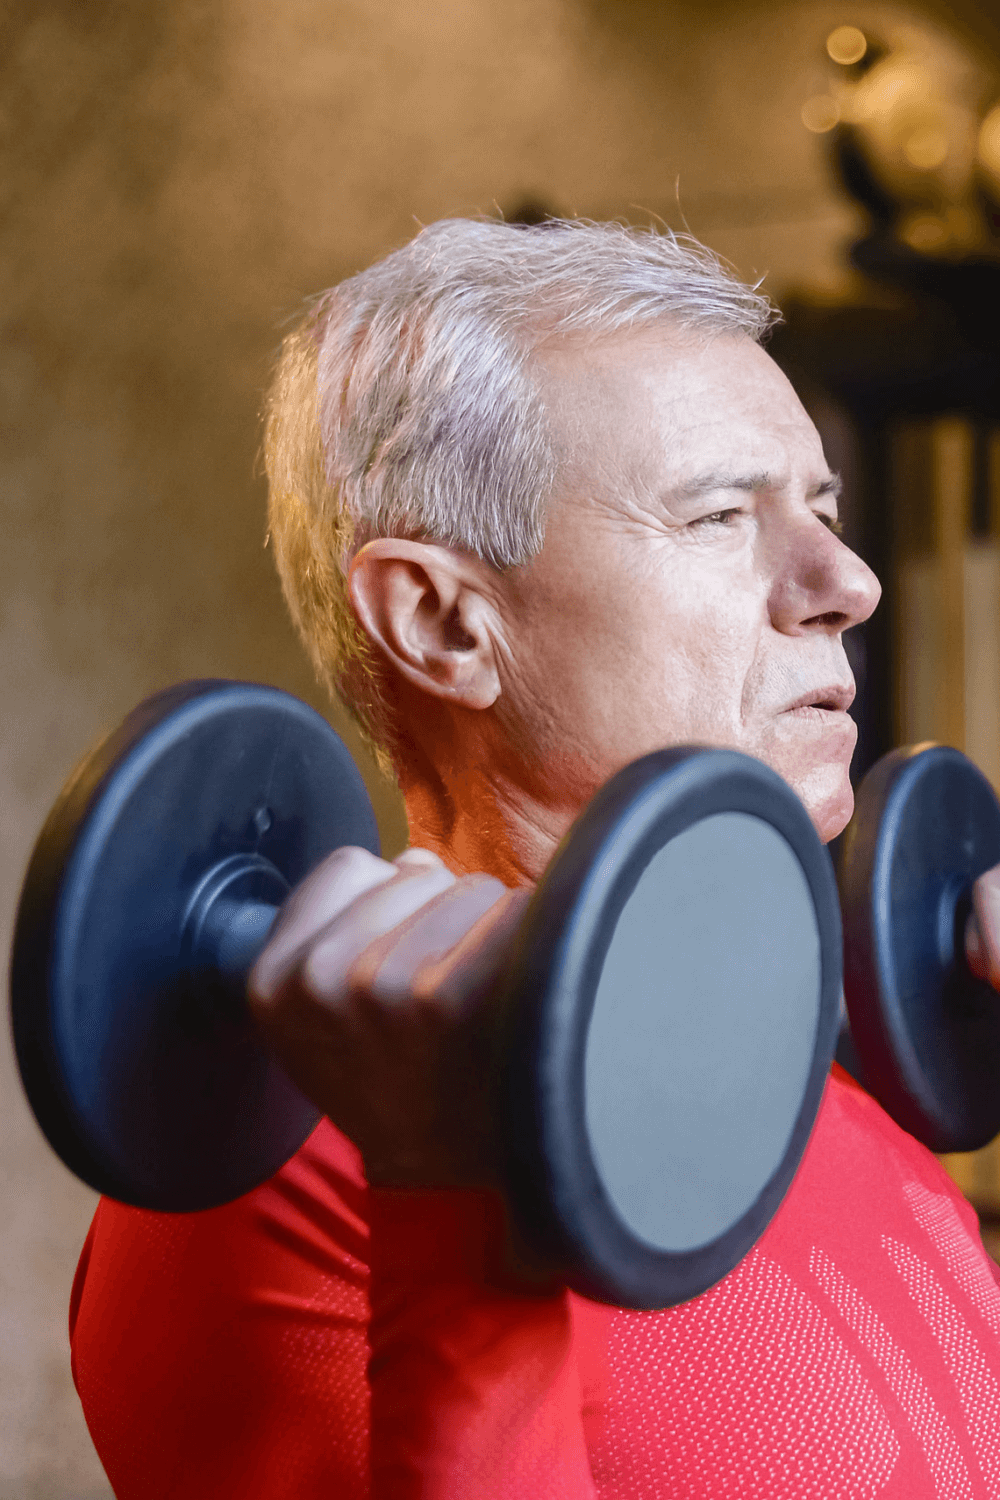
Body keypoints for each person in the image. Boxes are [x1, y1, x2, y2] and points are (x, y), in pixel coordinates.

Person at [70, 219, 1000, 1497]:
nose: (845, 579)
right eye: (722, 513)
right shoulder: (275, 1184)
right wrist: (453, 1202)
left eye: (823, 508)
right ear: (446, 622)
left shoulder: (810, 1091)